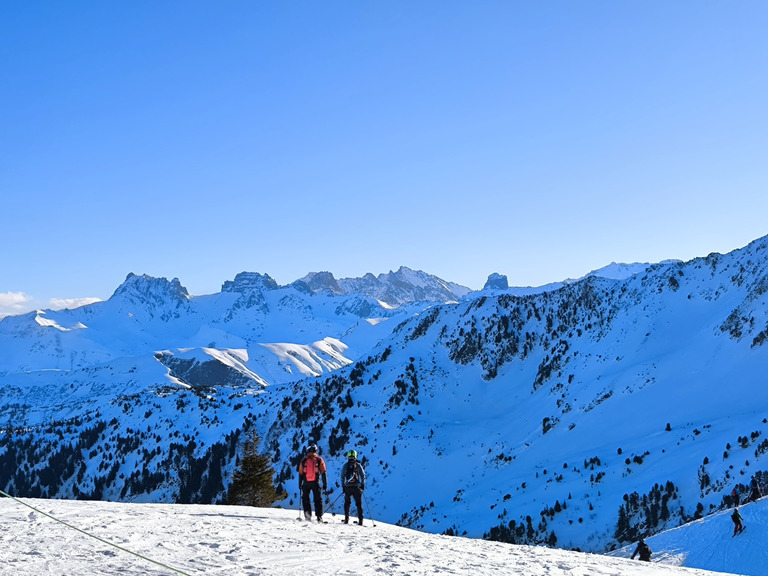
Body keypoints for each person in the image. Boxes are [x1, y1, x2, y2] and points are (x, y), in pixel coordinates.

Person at [298, 444, 327, 522]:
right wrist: (325, 484)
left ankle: (308, 517)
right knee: (318, 499)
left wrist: (300, 484)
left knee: (306, 499)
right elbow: (323, 472)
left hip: (306, 483)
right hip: (315, 482)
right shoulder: (319, 460)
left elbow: (300, 473)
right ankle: (319, 517)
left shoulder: (304, 460)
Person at [341, 449, 366, 525]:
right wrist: (362, 484)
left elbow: (342, 476)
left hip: (348, 487)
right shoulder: (358, 465)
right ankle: (361, 520)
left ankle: (346, 519)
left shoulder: (346, 465)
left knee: (347, 503)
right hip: (357, 487)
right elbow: (362, 475)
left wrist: (343, 486)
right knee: (359, 504)